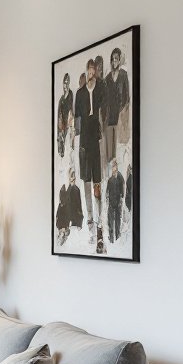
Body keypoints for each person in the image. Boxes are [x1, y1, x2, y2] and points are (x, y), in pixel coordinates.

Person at [75, 59, 103, 245]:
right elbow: (77, 120)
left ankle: (99, 224)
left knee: (97, 182)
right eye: (89, 72)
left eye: (94, 73)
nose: (91, 76)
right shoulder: (80, 93)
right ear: (86, 73)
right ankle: (91, 223)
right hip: (84, 142)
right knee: (86, 182)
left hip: (95, 140)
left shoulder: (100, 89)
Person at [106, 47, 131, 149]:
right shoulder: (108, 77)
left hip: (121, 113)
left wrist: (123, 110)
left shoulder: (123, 74)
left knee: (120, 145)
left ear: (119, 60)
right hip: (110, 115)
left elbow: (127, 96)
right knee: (111, 144)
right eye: (113, 59)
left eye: (116, 58)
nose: (114, 61)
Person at [55, 168, 84, 245]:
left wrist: (79, 223)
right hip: (65, 215)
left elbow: (79, 206)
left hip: (71, 216)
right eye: (71, 177)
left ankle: (63, 235)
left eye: (74, 178)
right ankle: (62, 235)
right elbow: (62, 204)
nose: (73, 179)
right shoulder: (65, 188)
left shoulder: (76, 189)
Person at [93, 55, 112, 174]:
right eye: (97, 66)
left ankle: (103, 171)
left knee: (102, 145)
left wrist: (104, 119)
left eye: (101, 66)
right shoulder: (92, 83)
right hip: (94, 119)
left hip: (102, 117)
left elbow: (106, 103)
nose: (99, 68)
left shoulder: (103, 83)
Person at [106, 159, 125, 244]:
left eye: (114, 166)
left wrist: (121, 201)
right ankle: (111, 238)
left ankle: (117, 236)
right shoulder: (110, 180)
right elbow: (107, 192)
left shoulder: (120, 178)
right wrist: (107, 200)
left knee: (117, 221)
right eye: (112, 167)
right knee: (110, 221)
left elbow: (122, 192)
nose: (113, 168)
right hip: (111, 203)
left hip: (117, 203)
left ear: (116, 167)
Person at [57, 73, 73, 158]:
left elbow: (72, 112)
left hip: (69, 126)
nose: (65, 85)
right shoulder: (61, 99)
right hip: (62, 127)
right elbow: (59, 116)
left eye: (67, 83)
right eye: (64, 83)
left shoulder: (71, 95)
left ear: (69, 83)